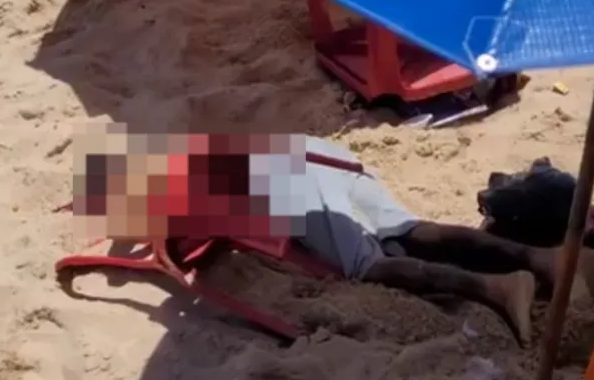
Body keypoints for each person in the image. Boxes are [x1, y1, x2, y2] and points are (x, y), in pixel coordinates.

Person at [76, 133, 558, 347]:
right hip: (313, 152)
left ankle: (497, 288)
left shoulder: (166, 185)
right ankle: (535, 259)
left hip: (292, 181)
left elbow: (182, 245)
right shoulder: (183, 153)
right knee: (405, 231)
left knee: (368, 265)